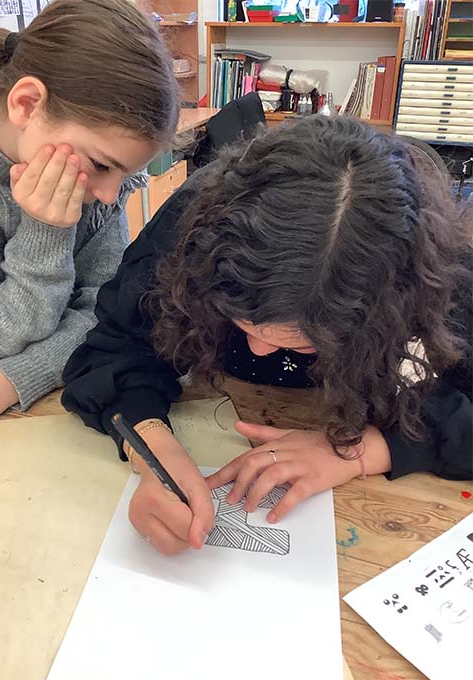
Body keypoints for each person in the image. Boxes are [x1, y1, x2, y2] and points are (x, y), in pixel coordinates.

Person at [62, 116, 472, 556]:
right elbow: (117, 347)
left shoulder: (440, 280)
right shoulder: (193, 230)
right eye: (241, 323)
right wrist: (154, 448)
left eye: (302, 341)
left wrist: (366, 450)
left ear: (380, 319)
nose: (257, 350)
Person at [0, 0, 178, 430]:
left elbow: (112, 314)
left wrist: (16, 378)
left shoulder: (92, 181)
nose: (109, 195)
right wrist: (46, 231)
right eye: (101, 165)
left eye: (123, 174)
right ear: (26, 104)